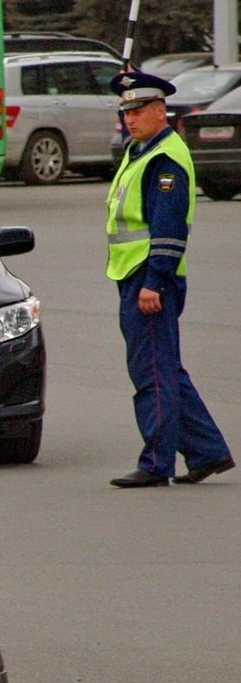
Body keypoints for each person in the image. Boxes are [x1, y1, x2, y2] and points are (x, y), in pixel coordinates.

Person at [104, 68, 233, 488]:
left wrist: (153, 284)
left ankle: (156, 463)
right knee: (165, 369)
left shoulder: (165, 160)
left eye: (139, 110)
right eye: (126, 111)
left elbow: (168, 229)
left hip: (149, 276)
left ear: (161, 111)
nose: (130, 119)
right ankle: (207, 451)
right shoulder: (141, 149)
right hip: (133, 272)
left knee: (152, 373)